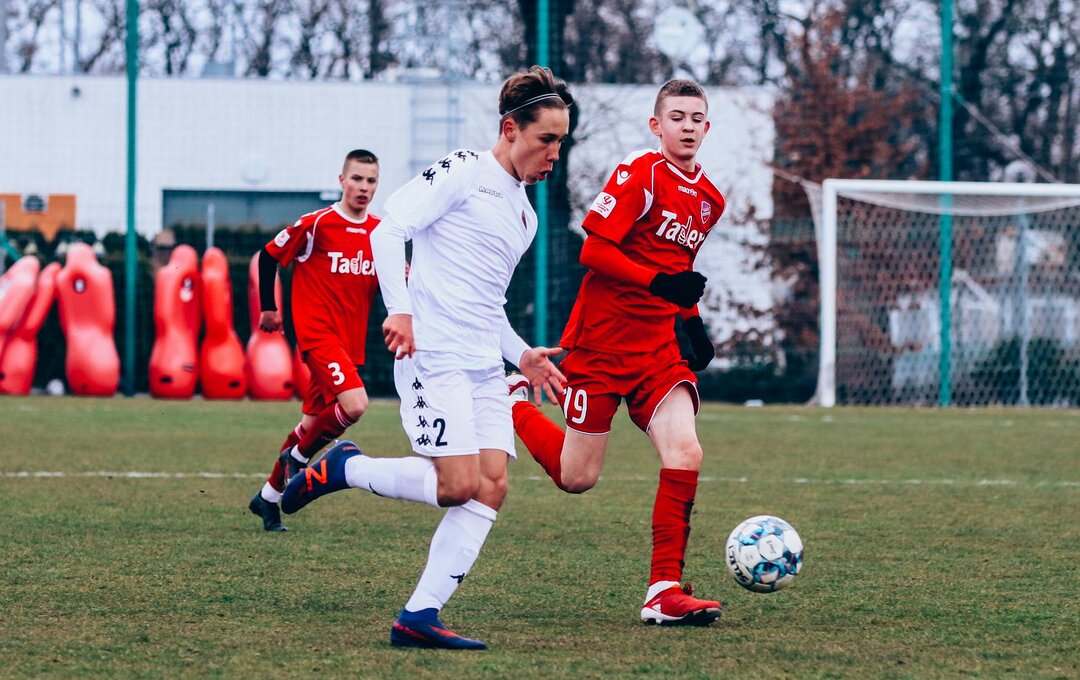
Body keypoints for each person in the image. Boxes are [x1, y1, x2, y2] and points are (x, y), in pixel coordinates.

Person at [280, 66, 572, 650]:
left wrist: (522, 356)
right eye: (547, 139)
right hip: (433, 355)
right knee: (457, 484)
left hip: (483, 366)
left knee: (492, 485)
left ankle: (418, 616)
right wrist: (401, 310)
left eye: (562, 141)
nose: (554, 154)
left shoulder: (526, 216)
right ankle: (344, 468)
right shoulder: (464, 169)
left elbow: (488, 307)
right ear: (511, 129)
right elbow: (388, 230)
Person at [507, 79, 726, 626]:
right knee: (576, 476)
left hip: (657, 350)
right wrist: (659, 284)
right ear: (657, 126)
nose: (687, 127)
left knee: (686, 452)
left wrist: (691, 323)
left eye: (696, 118)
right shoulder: (640, 172)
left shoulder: (710, 199)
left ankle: (663, 590)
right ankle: (512, 402)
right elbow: (596, 250)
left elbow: (679, 273)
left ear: (707, 128)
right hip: (602, 345)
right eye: (677, 117)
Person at [248, 149, 381, 532]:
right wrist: (269, 307)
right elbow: (267, 257)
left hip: (349, 344)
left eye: (371, 181)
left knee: (310, 424)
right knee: (355, 405)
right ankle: (298, 458)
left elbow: (397, 280)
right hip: (318, 336)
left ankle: (267, 499)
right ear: (341, 180)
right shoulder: (317, 224)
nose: (363, 187)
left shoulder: (380, 232)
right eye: (357, 179)